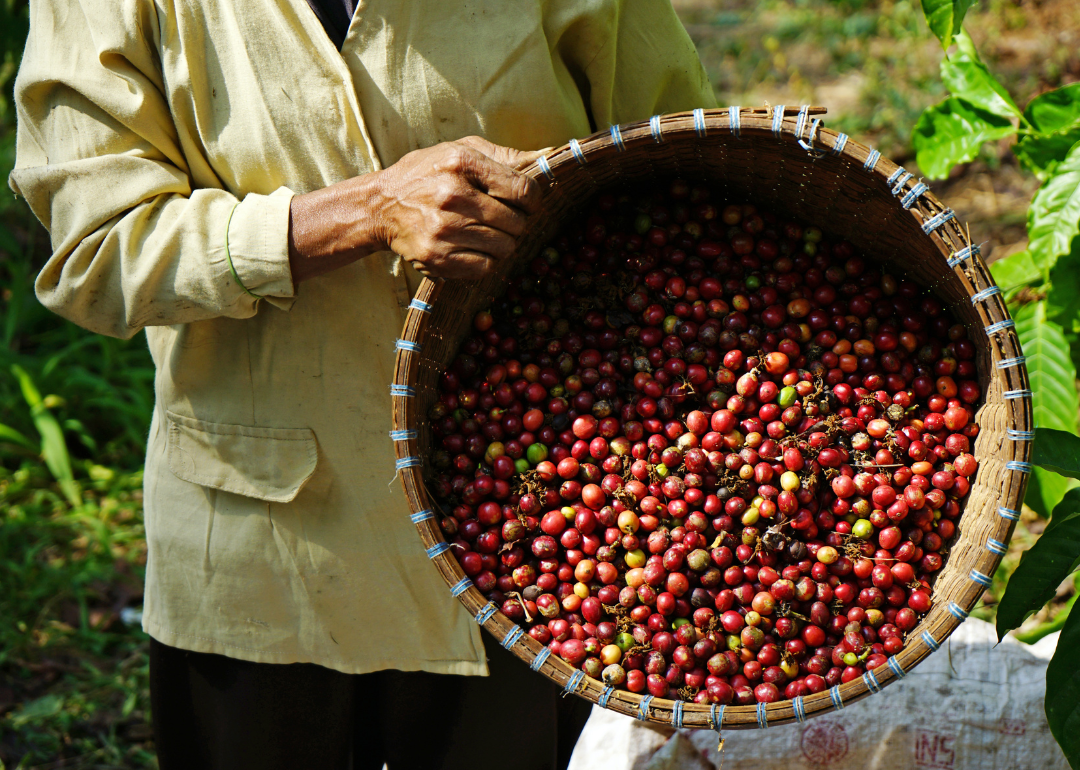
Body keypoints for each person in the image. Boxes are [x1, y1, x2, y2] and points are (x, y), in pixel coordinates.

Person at [10, 1, 716, 767]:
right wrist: (360, 212)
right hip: (266, 551)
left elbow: (680, 172)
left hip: (538, 532)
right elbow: (97, 250)